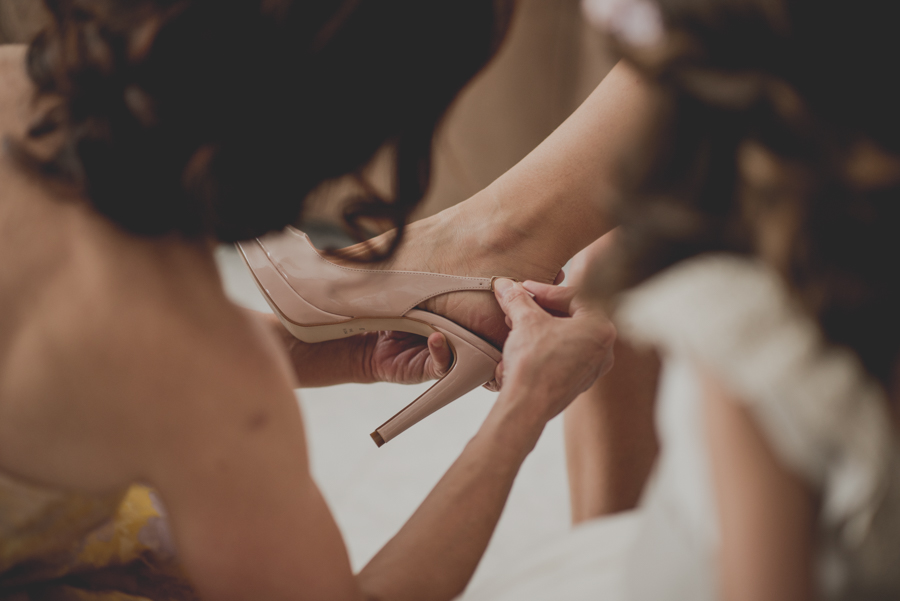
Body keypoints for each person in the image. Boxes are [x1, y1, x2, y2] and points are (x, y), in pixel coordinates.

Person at [0, 1, 621, 599]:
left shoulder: (13, 73)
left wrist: (331, 356)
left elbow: (89, 339)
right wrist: (527, 405)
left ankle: (487, 240)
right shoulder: (208, 378)